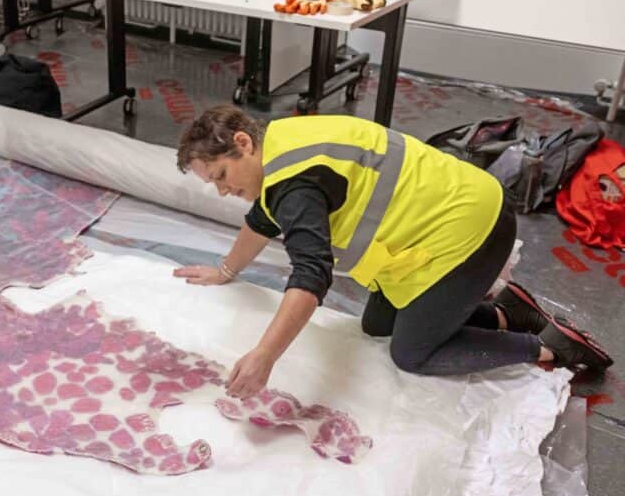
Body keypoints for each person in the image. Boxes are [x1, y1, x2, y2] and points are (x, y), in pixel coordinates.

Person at [173, 105, 613, 400]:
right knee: (378, 325)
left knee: (412, 354)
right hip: (438, 222)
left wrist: (264, 356)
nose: (223, 190)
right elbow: (260, 223)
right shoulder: (282, 141)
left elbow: (310, 278)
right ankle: (505, 311)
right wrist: (225, 270)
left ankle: (543, 346)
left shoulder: (294, 186)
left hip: (469, 230)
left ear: (243, 144)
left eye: (221, 175)